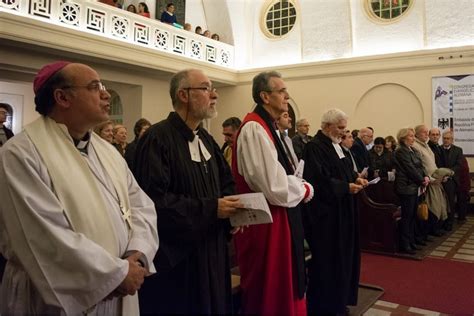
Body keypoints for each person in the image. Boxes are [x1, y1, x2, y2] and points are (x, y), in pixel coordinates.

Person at [0, 61, 158, 315]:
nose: (105, 94)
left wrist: (137, 256)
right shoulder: (21, 154)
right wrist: (117, 274)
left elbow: (140, 206)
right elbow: (43, 238)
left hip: (122, 287)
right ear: (62, 97)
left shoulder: (108, 151)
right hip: (58, 297)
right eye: (94, 87)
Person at [133, 69, 243, 315]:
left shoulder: (205, 137)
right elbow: (153, 201)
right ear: (183, 95)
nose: (214, 95)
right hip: (180, 259)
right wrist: (212, 208)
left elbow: (226, 181)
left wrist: (234, 212)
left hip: (212, 250)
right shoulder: (157, 138)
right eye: (205, 88)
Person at [232, 71, 314, 316]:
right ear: (265, 96)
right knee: (272, 290)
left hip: (278, 217)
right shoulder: (255, 129)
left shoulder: (267, 127)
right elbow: (272, 185)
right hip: (267, 222)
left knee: (285, 283)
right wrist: (304, 188)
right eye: (281, 91)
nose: (287, 96)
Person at [303, 108, 368, 315]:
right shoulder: (314, 147)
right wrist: (345, 187)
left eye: (345, 128)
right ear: (327, 126)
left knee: (344, 260)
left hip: (344, 212)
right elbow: (318, 180)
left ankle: (340, 302)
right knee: (328, 263)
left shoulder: (337, 146)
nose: (343, 132)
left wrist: (355, 179)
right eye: (340, 128)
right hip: (327, 218)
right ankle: (325, 307)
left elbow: (346, 171)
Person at [393, 127, 429, 254]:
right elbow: (410, 168)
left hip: (415, 187)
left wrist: (425, 176)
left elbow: (420, 165)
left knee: (413, 216)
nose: (413, 138)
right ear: (403, 138)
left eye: (414, 136)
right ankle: (405, 244)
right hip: (406, 188)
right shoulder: (400, 151)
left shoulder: (412, 150)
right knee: (407, 217)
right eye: (411, 136)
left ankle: (412, 241)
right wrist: (421, 180)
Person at [412, 125, 448, 237]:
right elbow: (421, 166)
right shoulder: (416, 146)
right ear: (417, 134)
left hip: (435, 180)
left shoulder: (426, 146)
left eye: (427, 132)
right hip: (428, 182)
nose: (427, 134)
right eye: (424, 132)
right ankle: (427, 231)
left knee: (439, 205)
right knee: (430, 207)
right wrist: (430, 178)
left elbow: (433, 164)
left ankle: (434, 229)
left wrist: (441, 176)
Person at [439, 130, 464, 228]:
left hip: (451, 179)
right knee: (441, 201)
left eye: (448, 138)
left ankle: (450, 222)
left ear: (452, 140)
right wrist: (441, 175)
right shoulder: (438, 149)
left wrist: (447, 174)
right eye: (444, 138)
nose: (446, 140)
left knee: (450, 201)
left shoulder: (458, 150)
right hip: (439, 179)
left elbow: (458, 165)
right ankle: (441, 222)